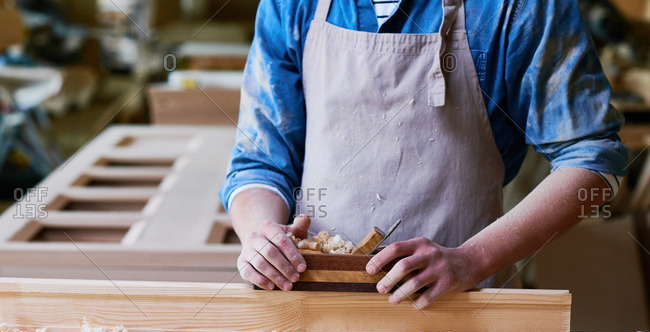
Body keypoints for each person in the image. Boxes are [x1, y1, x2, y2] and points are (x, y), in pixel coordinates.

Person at [219, 0, 629, 308]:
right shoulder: (292, 5)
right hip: (316, 315)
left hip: (465, 313)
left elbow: (591, 158)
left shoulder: (517, 7)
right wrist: (261, 238)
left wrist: (472, 259)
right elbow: (261, 161)